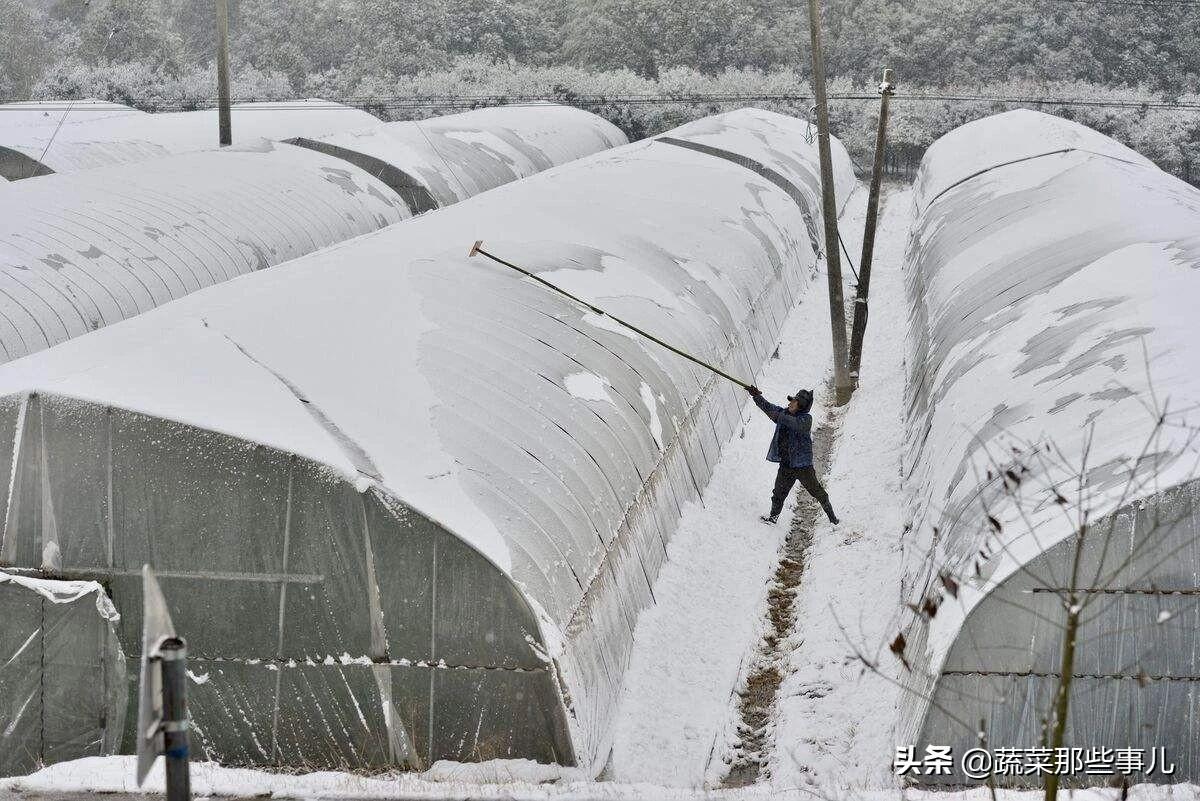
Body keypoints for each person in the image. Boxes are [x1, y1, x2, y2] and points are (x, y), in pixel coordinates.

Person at [745, 385, 838, 525]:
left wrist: (777, 416)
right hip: (786, 465)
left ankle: (833, 519)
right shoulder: (784, 413)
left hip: (803, 467)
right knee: (778, 494)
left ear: (800, 405)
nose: (789, 403)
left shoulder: (806, 419)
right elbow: (769, 408)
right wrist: (756, 396)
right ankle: (773, 518)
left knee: (818, 493)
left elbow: (793, 423)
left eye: (793, 401)